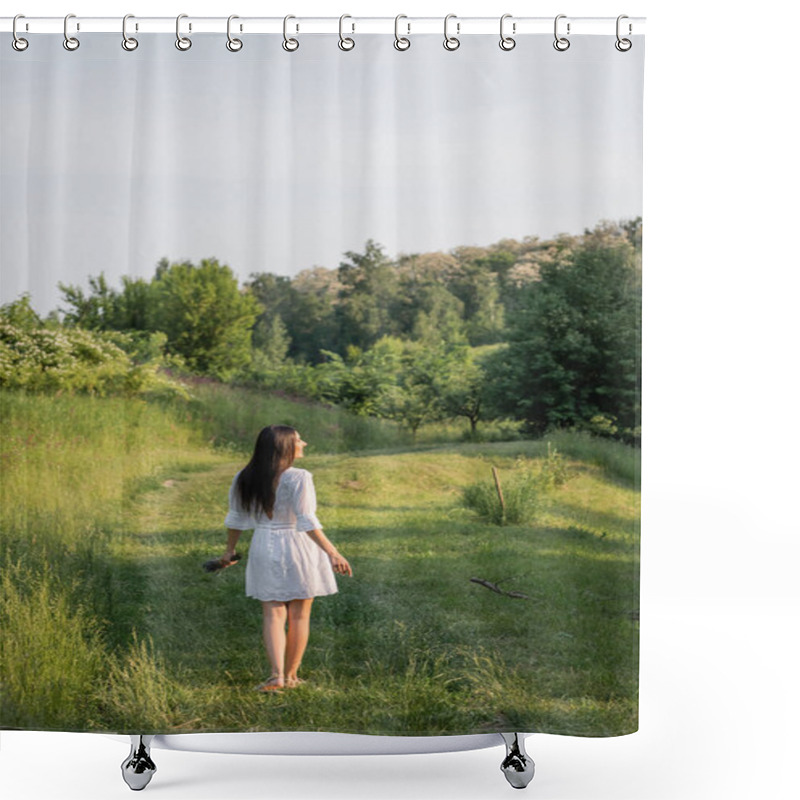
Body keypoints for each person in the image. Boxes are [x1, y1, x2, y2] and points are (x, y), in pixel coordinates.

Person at [221, 424, 352, 692]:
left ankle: (275, 676)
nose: (304, 443)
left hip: (264, 544)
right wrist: (333, 552)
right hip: (298, 546)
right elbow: (307, 521)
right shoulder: (299, 477)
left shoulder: (243, 477)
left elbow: (236, 519)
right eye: (298, 440)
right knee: (300, 615)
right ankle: (291, 677)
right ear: (284, 446)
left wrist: (229, 551)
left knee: (272, 614)